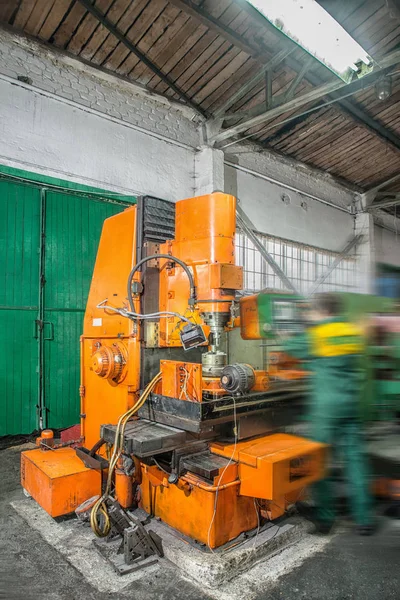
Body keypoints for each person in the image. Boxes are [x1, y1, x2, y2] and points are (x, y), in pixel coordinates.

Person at [283, 292, 374, 535]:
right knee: (355, 461)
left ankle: (325, 517)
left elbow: (289, 347)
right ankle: (364, 519)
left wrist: (303, 323)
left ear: (321, 311)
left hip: (327, 408)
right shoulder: (352, 332)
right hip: (351, 404)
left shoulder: (317, 334)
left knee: (318, 461)